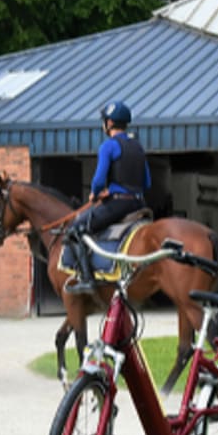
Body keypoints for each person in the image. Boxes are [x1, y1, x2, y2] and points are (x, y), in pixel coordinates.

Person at [63, 100, 151, 295]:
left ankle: (86, 279)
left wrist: (96, 192)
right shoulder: (138, 147)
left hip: (119, 203)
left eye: (104, 121)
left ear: (109, 123)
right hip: (139, 204)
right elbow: (147, 183)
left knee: (75, 229)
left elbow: (98, 180)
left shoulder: (108, 146)